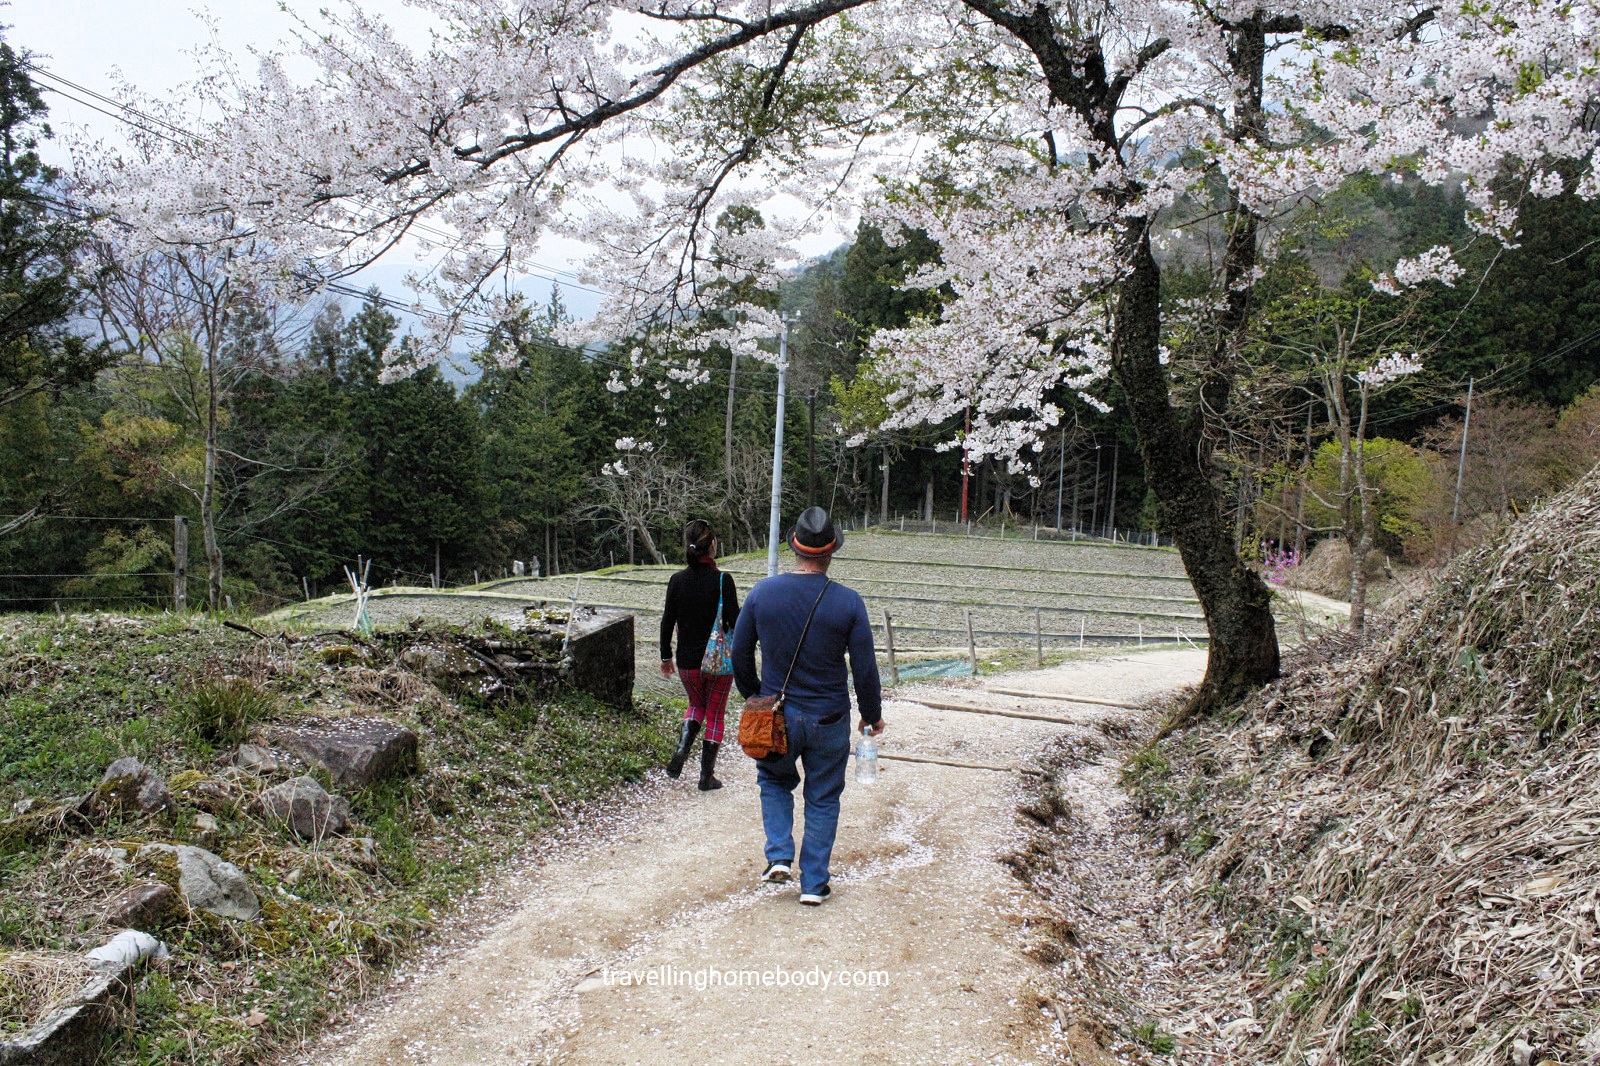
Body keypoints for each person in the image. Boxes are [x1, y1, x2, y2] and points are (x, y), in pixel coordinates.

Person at [732, 506, 884, 906]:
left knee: (773, 780)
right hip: (829, 717)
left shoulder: (762, 593)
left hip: (777, 716)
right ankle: (814, 883)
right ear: (830, 552)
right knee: (823, 796)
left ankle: (779, 855)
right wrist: (871, 715)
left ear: (794, 548)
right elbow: (864, 668)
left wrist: (756, 698)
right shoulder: (849, 603)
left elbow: (739, 654)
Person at [660, 519, 740, 791]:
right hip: (718, 663)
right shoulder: (723, 580)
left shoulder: (677, 580)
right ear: (713, 545)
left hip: (687, 663)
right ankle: (706, 776)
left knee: (696, 705)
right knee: (715, 714)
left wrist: (665, 657)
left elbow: (667, 621)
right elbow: (736, 621)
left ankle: (682, 750)